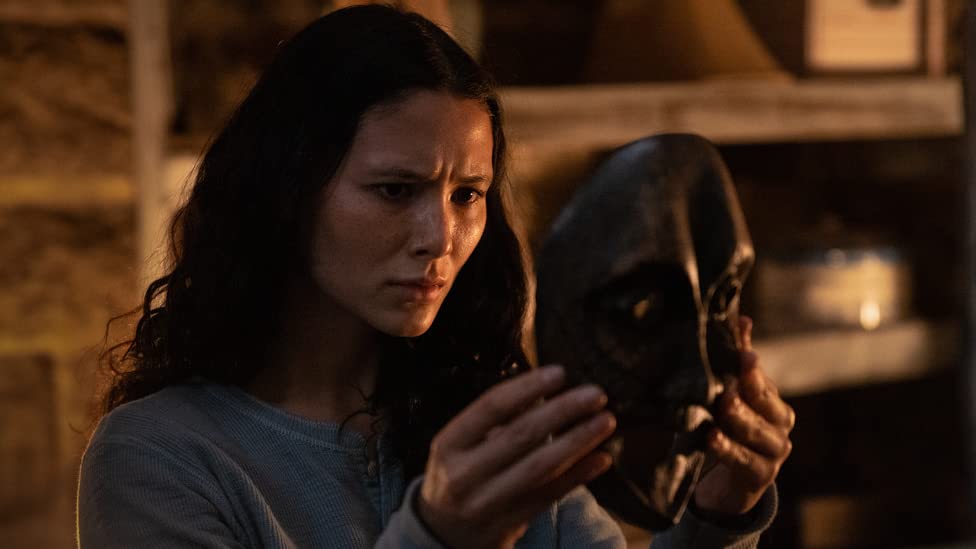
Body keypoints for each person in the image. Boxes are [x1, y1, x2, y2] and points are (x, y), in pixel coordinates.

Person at [77, 5, 793, 548]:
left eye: (467, 195)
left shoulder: (487, 425)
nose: (441, 237)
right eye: (395, 190)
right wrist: (440, 535)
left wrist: (718, 515)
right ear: (286, 191)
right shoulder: (159, 456)